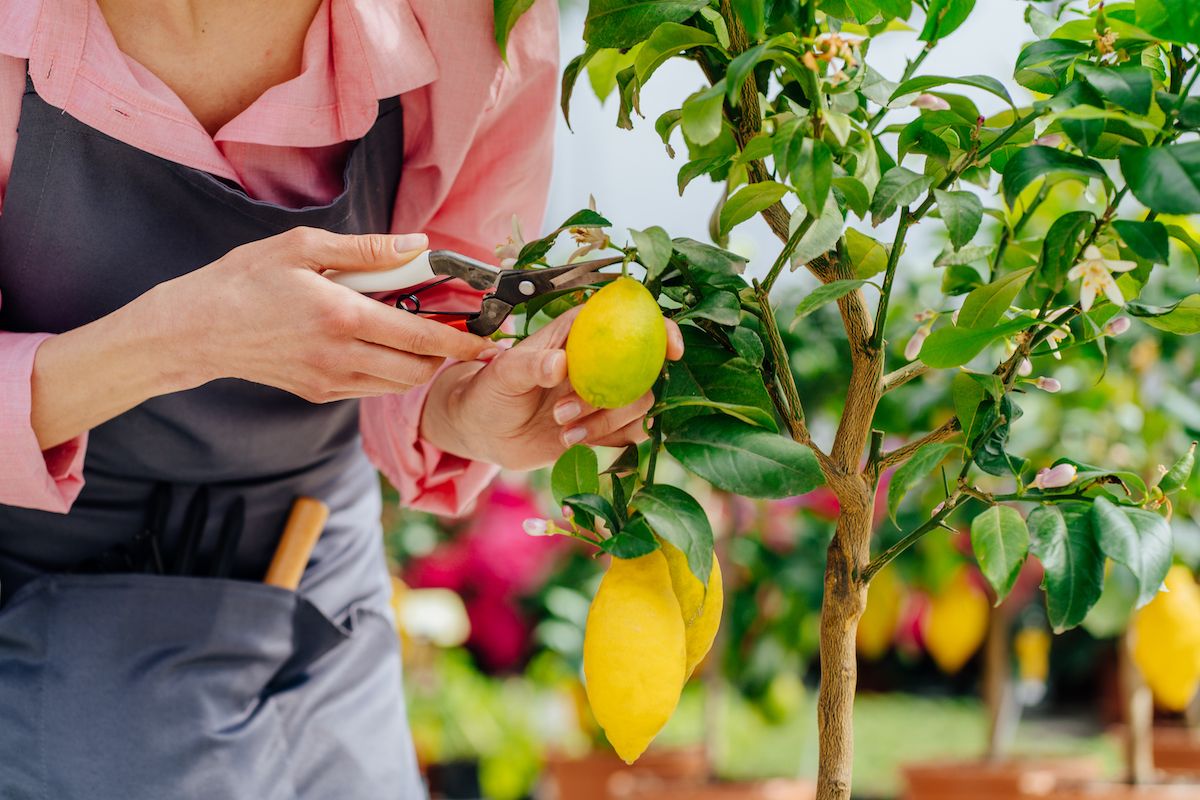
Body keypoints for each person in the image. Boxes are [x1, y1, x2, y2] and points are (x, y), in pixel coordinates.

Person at [0, 1, 682, 797]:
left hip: (318, 601)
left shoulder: (474, 21)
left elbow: (433, 324)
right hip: (47, 610)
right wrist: (187, 338)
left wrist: (466, 406)